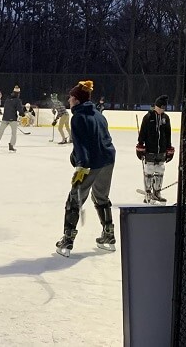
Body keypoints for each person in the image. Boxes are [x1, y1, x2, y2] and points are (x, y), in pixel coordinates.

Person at [56, 80, 117, 257]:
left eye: (71, 97)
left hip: (92, 162)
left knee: (74, 199)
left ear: (77, 100)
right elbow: (105, 139)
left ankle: (67, 241)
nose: (68, 100)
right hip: (108, 159)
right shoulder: (99, 114)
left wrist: (80, 166)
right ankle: (109, 235)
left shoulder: (78, 118)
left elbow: (81, 145)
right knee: (101, 197)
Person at [136, 95, 174, 204]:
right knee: (149, 171)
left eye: (164, 108)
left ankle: (157, 192)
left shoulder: (165, 118)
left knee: (160, 170)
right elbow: (143, 132)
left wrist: (169, 148)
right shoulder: (148, 117)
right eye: (161, 107)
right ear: (156, 106)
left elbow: (168, 133)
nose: (163, 109)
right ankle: (148, 192)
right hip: (150, 150)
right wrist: (140, 145)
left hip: (161, 150)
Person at [0, 85, 24, 152]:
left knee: (0, 132)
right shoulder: (18, 100)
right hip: (13, 119)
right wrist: (22, 114)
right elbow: (20, 110)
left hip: (5, 118)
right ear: (18, 93)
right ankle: (11, 146)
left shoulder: (7, 99)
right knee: (14, 134)